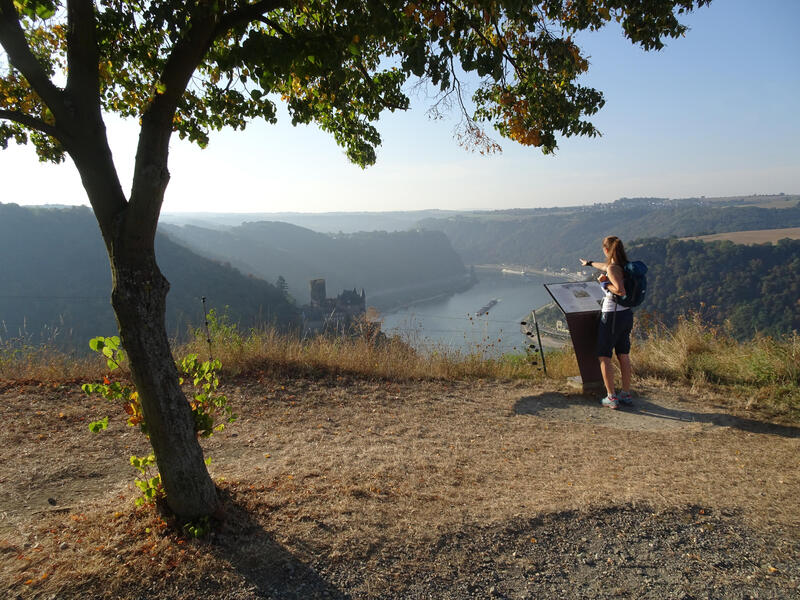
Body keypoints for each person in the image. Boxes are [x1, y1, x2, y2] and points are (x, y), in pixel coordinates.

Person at [579, 236, 634, 409]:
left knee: (604, 356)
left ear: (606, 250)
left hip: (612, 315)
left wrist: (604, 284)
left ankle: (611, 397)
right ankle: (625, 393)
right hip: (626, 314)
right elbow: (604, 266)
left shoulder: (612, 268)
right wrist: (589, 263)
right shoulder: (625, 266)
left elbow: (619, 289)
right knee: (623, 354)